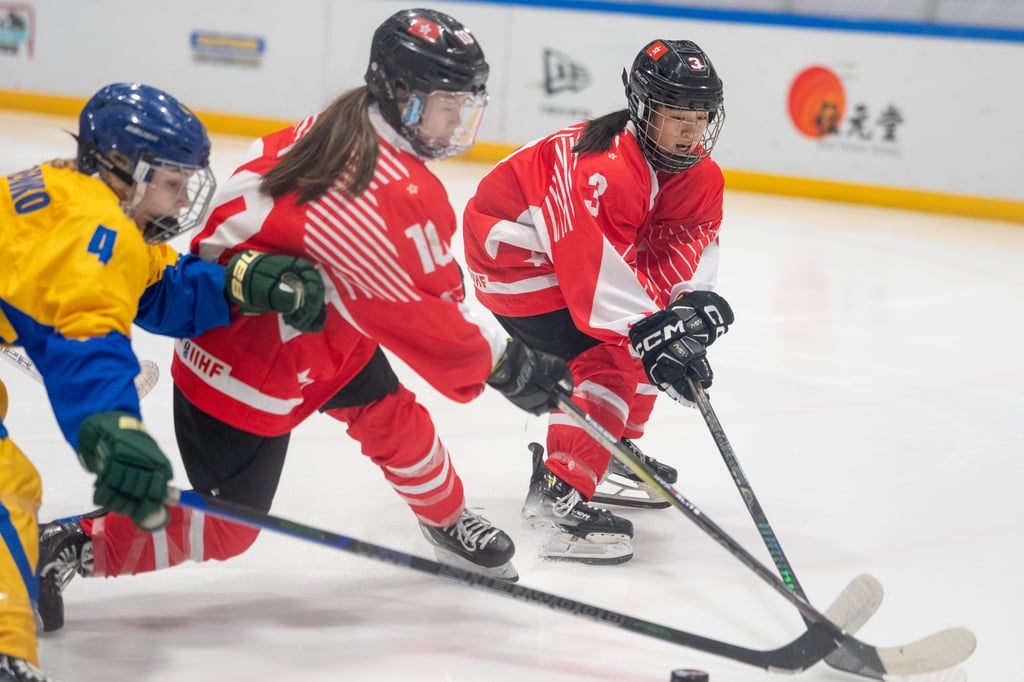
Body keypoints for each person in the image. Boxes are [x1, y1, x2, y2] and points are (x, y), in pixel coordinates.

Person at [35, 8, 571, 634]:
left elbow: (244, 219)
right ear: (399, 95)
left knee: (393, 419)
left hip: (323, 327)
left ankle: (446, 518)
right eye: (445, 105)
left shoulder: (338, 122)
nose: (457, 124)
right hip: (245, 365)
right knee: (231, 528)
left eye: (465, 105)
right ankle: (72, 545)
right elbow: (429, 314)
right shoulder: (390, 190)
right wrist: (507, 367)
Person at [0, 83, 327, 681]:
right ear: (126, 170)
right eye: (172, 184)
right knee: (7, 490)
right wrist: (114, 429)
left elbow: (148, 285)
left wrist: (235, 284)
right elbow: (87, 340)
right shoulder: (94, 231)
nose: (180, 203)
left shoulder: (70, 189)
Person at [462, 39, 736, 564]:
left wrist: (690, 306)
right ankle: (557, 496)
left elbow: (691, 244)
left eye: (699, 117)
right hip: (515, 263)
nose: (690, 131)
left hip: (574, 260)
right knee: (610, 361)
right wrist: (651, 334)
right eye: (676, 116)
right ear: (643, 108)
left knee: (657, 339)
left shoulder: (701, 176)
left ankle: (605, 452)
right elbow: (596, 279)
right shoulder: (603, 168)